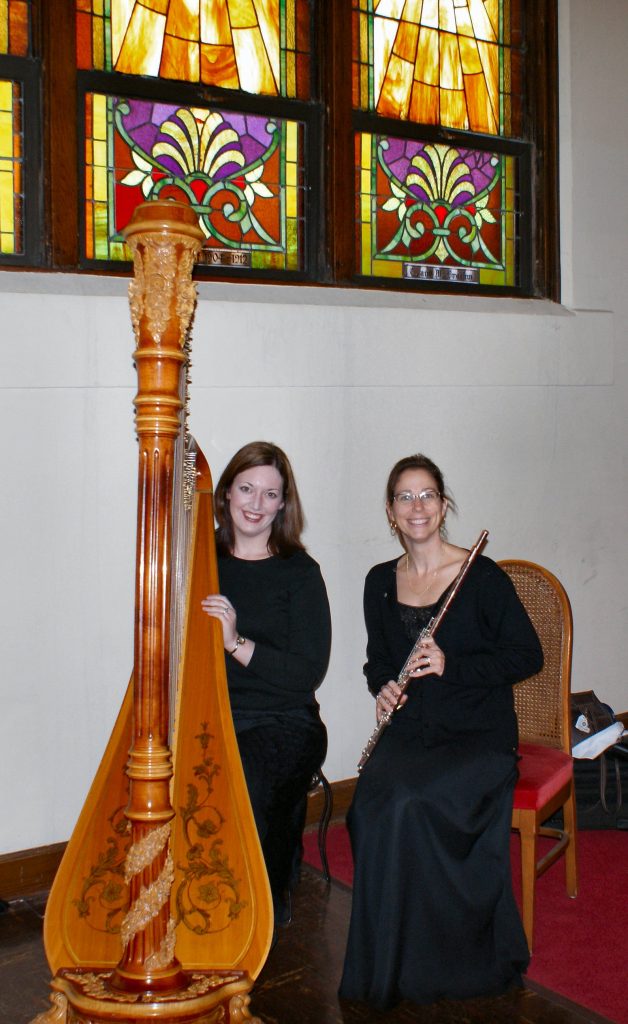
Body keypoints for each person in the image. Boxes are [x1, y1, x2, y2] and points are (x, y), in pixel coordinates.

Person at [339, 453, 543, 1010]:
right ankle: (388, 960)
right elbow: (376, 661)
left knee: (409, 804)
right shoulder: (380, 582)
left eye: (427, 494)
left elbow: (527, 655)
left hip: (477, 734)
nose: (417, 506)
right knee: (369, 808)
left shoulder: (482, 576)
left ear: (444, 503)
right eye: (405, 497)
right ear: (390, 512)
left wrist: (452, 665)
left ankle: (446, 958)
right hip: (412, 731)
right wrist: (383, 687)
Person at [201, 441, 331, 925]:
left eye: (270, 494)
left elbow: (306, 673)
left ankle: (258, 909)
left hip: (284, 722)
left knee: (247, 785)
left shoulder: (300, 573)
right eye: (247, 489)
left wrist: (236, 642)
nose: (256, 504)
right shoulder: (200, 560)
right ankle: (194, 897)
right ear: (226, 494)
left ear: (284, 504)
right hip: (210, 711)